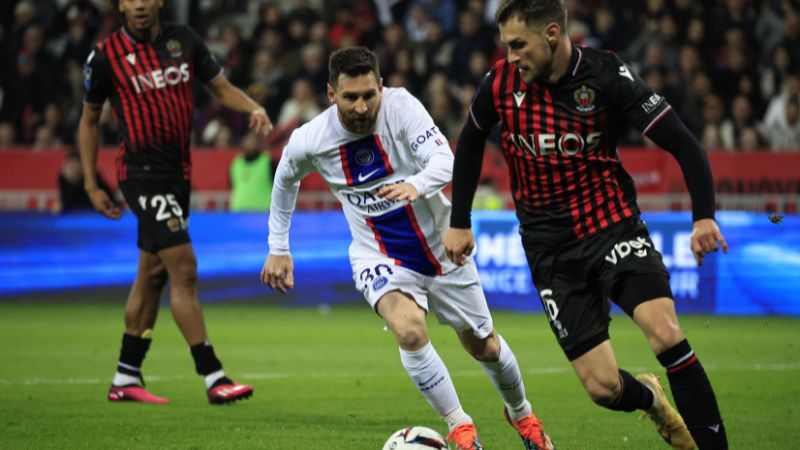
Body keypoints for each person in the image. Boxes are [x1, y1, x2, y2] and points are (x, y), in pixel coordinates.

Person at [443, 1, 729, 449]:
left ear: (552, 34)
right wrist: (460, 221)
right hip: (550, 250)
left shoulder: (607, 75)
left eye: (518, 45)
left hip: (612, 226)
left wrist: (704, 216)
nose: (510, 57)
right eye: (506, 46)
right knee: (603, 388)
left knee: (665, 331)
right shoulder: (500, 84)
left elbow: (684, 143)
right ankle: (652, 399)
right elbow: (472, 141)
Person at [261, 47, 553, 450]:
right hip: (378, 254)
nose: (362, 107)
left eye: (369, 95)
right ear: (331, 95)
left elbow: (445, 160)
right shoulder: (310, 139)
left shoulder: (400, 108)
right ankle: (460, 427)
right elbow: (285, 179)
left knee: (483, 345)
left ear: (381, 86)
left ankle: (522, 415)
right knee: (408, 330)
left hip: (440, 247)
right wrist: (278, 246)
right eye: (350, 98)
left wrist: (414, 185)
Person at [79, 0, 273, 405]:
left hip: (178, 176)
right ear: (121, 5)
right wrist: (91, 184)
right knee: (183, 268)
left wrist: (252, 106)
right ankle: (213, 375)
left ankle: (125, 375)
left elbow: (219, 87)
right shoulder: (105, 56)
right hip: (141, 174)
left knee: (152, 275)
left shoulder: (183, 42)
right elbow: (90, 119)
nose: (140, 5)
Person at [58, 149, 116, 213]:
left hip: (94, 214)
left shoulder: (93, 177)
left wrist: (72, 182)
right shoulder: (63, 178)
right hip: (74, 216)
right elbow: (67, 202)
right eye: (70, 164)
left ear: (82, 165)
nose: (72, 168)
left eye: (74, 164)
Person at [229, 130, 274, 212]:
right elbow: (232, 185)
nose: (250, 143)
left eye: (253, 140)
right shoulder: (236, 163)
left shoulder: (268, 162)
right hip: (238, 211)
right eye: (248, 139)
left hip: (262, 212)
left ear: (259, 143)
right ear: (243, 142)